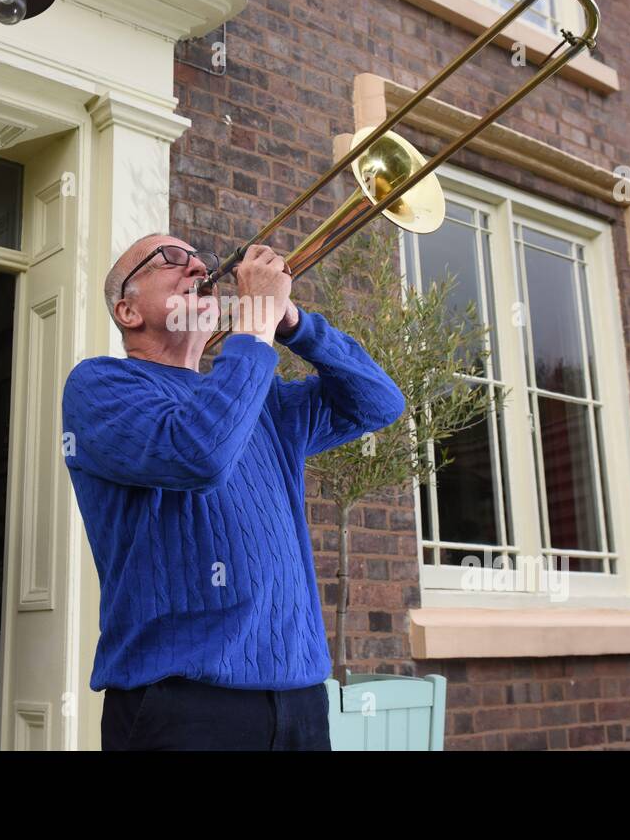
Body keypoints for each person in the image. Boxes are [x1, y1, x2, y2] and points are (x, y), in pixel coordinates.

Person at [61, 234, 406, 750]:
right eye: (172, 259)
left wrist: (294, 324)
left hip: (301, 697)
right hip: (183, 702)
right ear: (128, 311)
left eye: (198, 258)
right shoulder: (101, 385)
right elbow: (199, 451)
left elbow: (378, 403)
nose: (199, 266)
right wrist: (255, 328)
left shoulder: (262, 400)